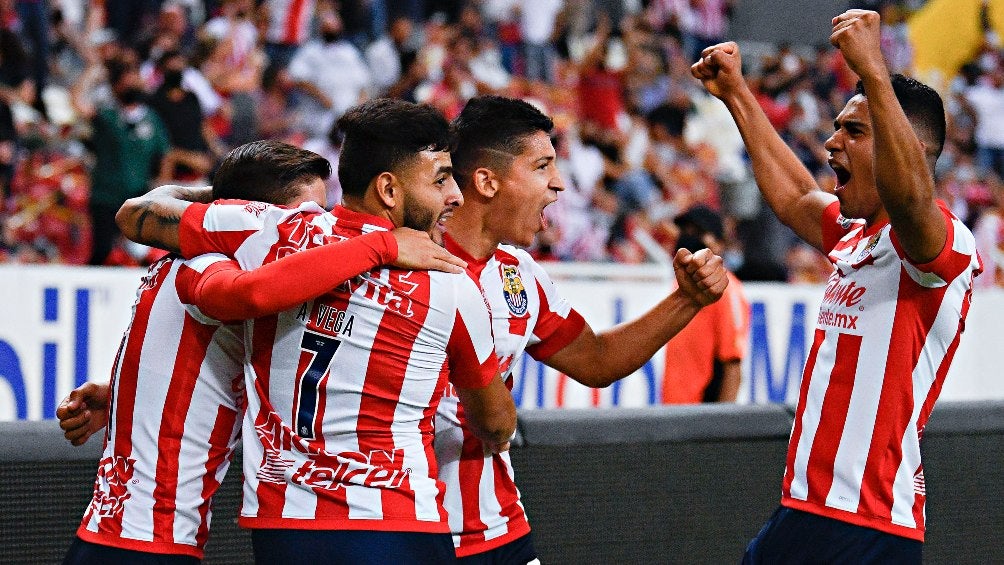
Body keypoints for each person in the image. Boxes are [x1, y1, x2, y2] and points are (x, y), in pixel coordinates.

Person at [116, 98, 517, 564]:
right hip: (397, 523)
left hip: (284, 530)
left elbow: (137, 214)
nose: (456, 196)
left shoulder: (272, 230)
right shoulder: (451, 284)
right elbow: (495, 422)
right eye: (441, 180)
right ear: (388, 189)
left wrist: (231, 198)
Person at [57, 140, 465, 563]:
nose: (319, 235)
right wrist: (382, 246)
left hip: (116, 535)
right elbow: (248, 295)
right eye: (304, 219)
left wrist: (124, 394)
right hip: (149, 541)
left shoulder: (176, 261)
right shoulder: (210, 266)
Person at [691, 10, 982, 562]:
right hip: (802, 511)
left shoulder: (942, 242)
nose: (830, 143)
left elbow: (914, 203)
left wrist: (876, 72)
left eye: (854, 130)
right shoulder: (855, 237)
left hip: (869, 526)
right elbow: (796, 197)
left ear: (906, 150)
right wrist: (737, 95)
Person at [438, 95, 728, 562]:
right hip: (416, 531)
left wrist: (687, 300)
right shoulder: (405, 267)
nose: (558, 185)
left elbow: (595, 361)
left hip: (502, 529)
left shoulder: (520, 274)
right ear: (487, 181)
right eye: (542, 167)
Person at [661, 205, 749, 404]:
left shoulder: (726, 290)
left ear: (718, 243)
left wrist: (720, 427)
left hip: (701, 415)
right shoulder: (680, 286)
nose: (689, 237)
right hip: (674, 411)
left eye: (698, 232)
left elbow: (732, 365)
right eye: (685, 231)